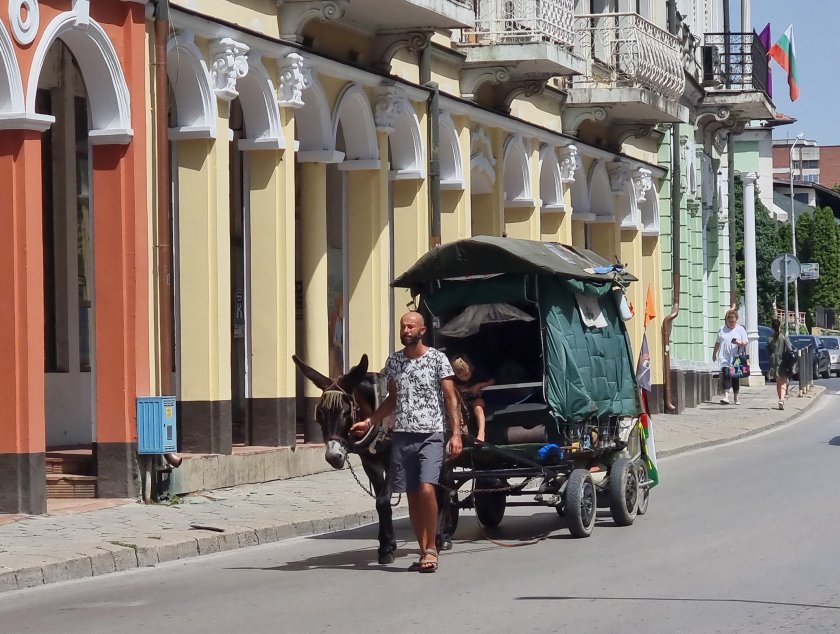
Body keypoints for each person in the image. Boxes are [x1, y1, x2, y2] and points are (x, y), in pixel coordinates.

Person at [351, 312, 462, 573]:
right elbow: (391, 400)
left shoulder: (437, 359)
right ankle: (425, 551)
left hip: (431, 435)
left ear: (422, 330)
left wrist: (455, 434)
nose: (406, 329)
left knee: (426, 489)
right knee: (412, 494)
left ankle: (432, 547)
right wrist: (369, 422)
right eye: (403, 326)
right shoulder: (395, 361)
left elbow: (450, 399)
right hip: (402, 436)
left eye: (411, 326)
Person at [450, 353, 495, 442]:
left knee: (478, 407)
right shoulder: (453, 378)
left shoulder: (477, 373)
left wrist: (479, 385)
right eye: (460, 376)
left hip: (476, 398)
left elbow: (492, 381)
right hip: (462, 401)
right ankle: (458, 434)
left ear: (470, 368)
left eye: (466, 375)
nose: (464, 378)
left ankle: (481, 433)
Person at [712, 309, 749, 405]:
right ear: (726, 320)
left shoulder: (740, 329)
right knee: (726, 374)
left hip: (736, 358)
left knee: (735, 377)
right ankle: (726, 397)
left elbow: (745, 342)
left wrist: (738, 342)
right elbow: (717, 342)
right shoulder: (722, 329)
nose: (732, 323)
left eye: (734, 321)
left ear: (736, 320)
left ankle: (736, 397)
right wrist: (714, 353)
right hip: (724, 357)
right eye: (730, 321)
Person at [767, 318, 794, 410]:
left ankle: (780, 399)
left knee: (778, 382)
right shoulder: (783, 336)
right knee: (784, 381)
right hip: (782, 361)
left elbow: (768, 350)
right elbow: (790, 348)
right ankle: (782, 399)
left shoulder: (769, 338)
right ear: (779, 326)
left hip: (773, 362)